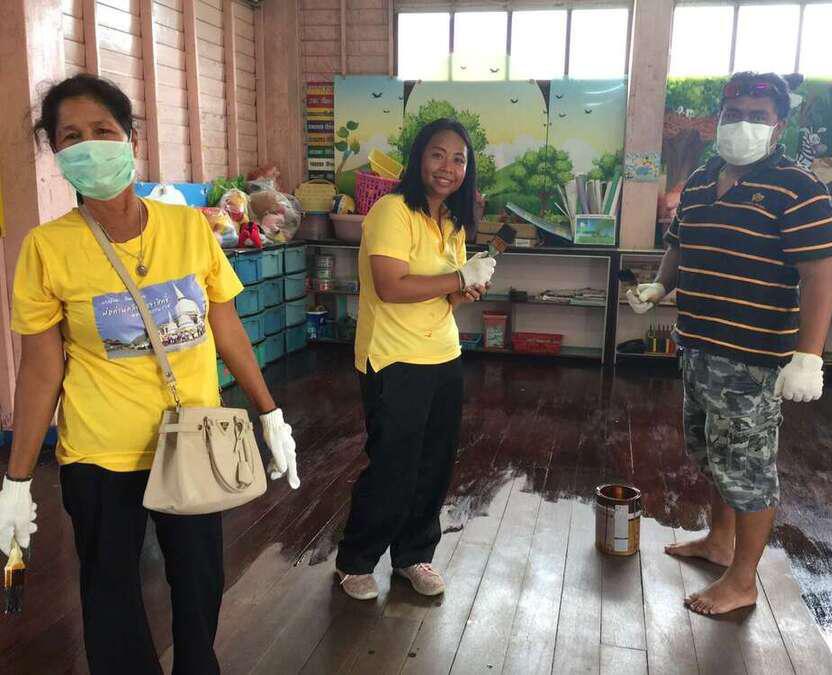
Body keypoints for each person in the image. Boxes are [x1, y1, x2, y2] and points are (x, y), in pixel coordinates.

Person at [0, 74, 299, 674]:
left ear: (131, 137)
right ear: (56, 153)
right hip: (100, 454)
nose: (89, 145)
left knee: (199, 583)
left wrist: (269, 412)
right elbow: (40, 371)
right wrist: (16, 479)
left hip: (194, 439)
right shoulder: (47, 248)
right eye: (71, 137)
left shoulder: (188, 229)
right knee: (109, 595)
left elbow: (226, 327)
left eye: (103, 130)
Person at [627, 72, 832, 615]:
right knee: (711, 452)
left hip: (752, 358)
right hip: (697, 347)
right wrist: (659, 285)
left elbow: (820, 276)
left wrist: (809, 356)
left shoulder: (800, 189)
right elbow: (679, 245)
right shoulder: (701, 180)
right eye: (733, 114)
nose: (743, 124)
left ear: (779, 126)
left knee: (748, 468)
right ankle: (719, 541)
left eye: (757, 116)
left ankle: (742, 580)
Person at [335, 119, 496, 600]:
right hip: (393, 358)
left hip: (443, 353)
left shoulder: (452, 221)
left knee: (434, 464)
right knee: (392, 465)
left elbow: (444, 298)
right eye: (438, 154)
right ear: (419, 158)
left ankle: (413, 555)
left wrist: (467, 288)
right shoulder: (391, 211)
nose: (448, 167)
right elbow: (390, 286)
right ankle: (355, 561)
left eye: (459, 159)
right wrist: (457, 278)